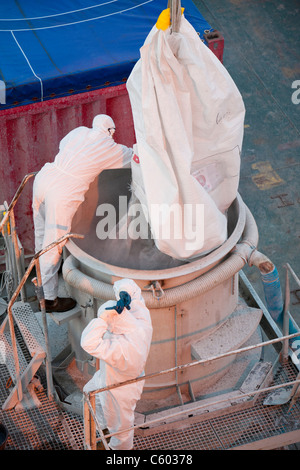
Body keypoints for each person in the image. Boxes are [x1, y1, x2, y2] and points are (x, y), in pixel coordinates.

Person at [32, 115, 133, 312]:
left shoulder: (78, 131)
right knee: (54, 245)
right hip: (63, 191)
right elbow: (135, 158)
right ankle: (49, 300)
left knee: (41, 235)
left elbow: (64, 147)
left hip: (44, 178)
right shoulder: (109, 148)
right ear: (111, 132)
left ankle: (38, 282)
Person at [80, 278, 153, 451]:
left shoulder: (122, 349)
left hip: (119, 388)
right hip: (108, 377)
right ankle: (103, 431)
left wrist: (102, 320)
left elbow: (88, 343)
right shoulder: (139, 320)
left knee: (120, 426)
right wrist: (124, 293)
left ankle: (118, 451)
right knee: (89, 394)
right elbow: (133, 290)